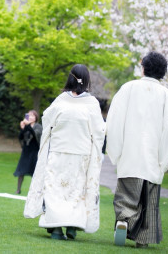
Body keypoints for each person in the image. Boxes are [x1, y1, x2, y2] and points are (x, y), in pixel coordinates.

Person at [106, 51, 168, 248]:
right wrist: (165, 157)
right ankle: (143, 240)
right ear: (163, 72)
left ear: (143, 68)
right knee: (149, 202)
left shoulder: (128, 88)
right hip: (153, 156)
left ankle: (124, 220)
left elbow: (114, 120)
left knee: (127, 195)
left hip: (130, 153)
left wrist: (116, 149)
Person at [24, 64, 106, 241]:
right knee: (75, 190)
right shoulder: (91, 103)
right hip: (81, 153)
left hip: (59, 151)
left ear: (70, 78)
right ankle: (72, 226)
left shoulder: (61, 100)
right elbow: (99, 130)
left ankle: (56, 229)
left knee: (56, 189)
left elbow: (47, 120)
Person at [14, 110, 42, 195]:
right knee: (21, 171)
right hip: (26, 152)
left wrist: (27, 125)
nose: (30, 117)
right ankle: (18, 189)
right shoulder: (26, 126)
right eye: (29, 116)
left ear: (36, 117)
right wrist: (23, 128)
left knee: (34, 172)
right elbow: (21, 137)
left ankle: (35, 190)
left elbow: (35, 134)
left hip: (34, 152)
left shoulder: (38, 126)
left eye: (33, 116)